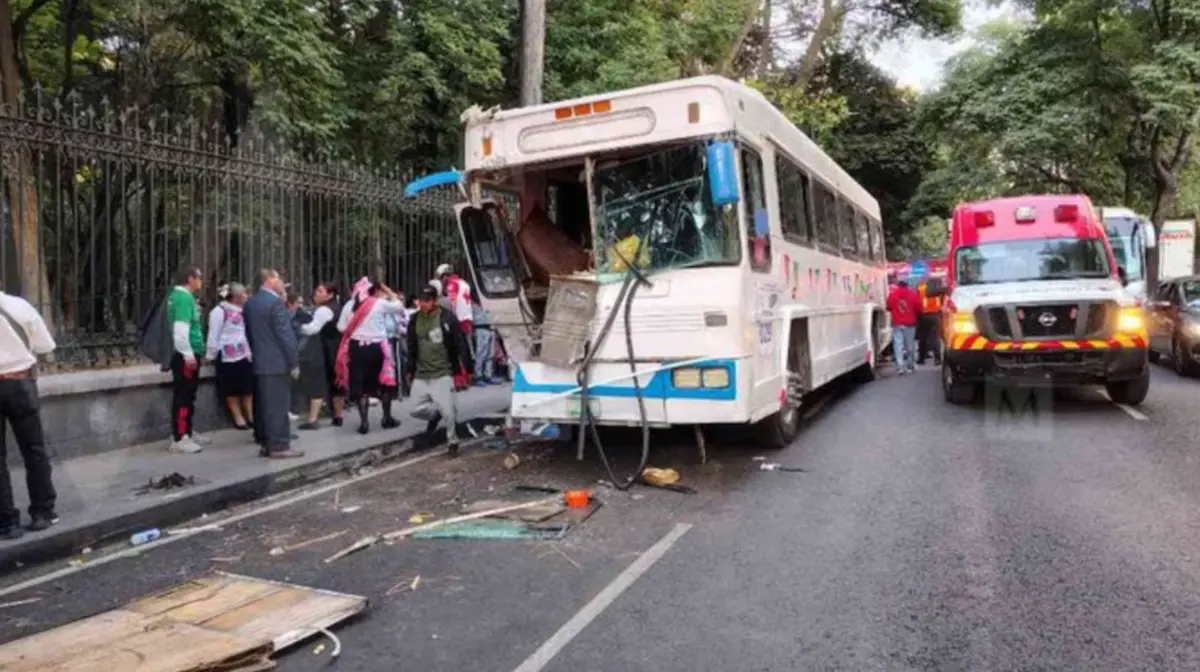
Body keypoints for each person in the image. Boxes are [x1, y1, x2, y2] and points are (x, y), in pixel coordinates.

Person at [0, 285, 59, 538]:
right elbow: (46, 346)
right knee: (34, 449)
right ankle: (42, 512)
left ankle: (7, 522)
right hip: (21, 383)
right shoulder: (20, 306)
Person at [243, 269, 304, 458]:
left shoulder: (251, 303)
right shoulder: (275, 304)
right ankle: (279, 445)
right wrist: (294, 361)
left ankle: (266, 442)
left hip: (261, 361)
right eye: (278, 278)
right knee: (278, 406)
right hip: (278, 363)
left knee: (264, 406)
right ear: (269, 279)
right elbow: (285, 336)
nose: (281, 282)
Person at [335, 277, 407, 435]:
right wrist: (389, 291)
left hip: (357, 349)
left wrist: (356, 329)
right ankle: (387, 418)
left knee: (361, 388)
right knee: (385, 385)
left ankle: (364, 423)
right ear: (374, 290)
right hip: (378, 349)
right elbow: (399, 306)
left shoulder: (349, 305)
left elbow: (341, 327)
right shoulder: (379, 303)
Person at [407, 284, 473, 457]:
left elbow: (460, 342)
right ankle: (435, 413)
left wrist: (467, 366)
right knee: (415, 409)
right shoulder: (414, 320)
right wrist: (410, 369)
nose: (423, 304)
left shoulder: (446, 317)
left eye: (427, 301)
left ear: (434, 301)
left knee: (450, 414)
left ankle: (452, 442)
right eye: (421, 300)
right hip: (422, 373)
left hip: (443, 372)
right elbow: (411, 346)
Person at [167, 268, 207, 453]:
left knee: (187, 394)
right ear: (190, 279)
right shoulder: (183, 298)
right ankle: (181, 436)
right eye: (198, 278)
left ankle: (186, 432)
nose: (201, 281)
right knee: (184, 395)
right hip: (186, 355)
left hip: (186, 353)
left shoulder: (180, 297)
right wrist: (189, 354)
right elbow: (181, 330)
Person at [206, 283, 254, 431]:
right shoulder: (219, 312)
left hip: (243, 352)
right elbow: (214, 333)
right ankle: (238, 417)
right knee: (231, 388)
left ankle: (251, 415)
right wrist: (211, 353)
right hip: (227, 354)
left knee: (248, 387)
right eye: (244, 294)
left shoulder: (245, 310)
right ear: (235, 297)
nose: (246, 297)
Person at [296, 283, 343, 429]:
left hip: (325, 349)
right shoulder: (338, 307)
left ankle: (314, 418)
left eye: (320, 291)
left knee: (320, 381)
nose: (315, 293)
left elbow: (312, 329)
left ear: (330, 295)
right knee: (338, 381)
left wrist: (296, 327)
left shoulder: (324, 310)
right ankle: (338, 415)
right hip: (337, 348)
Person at [887, 278, 920, 374]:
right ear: (907, 284)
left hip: (897, 323)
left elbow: (888, 306)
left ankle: (900, 367)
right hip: (910, 323)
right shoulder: (913, 294)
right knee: (910, 346)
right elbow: (918, 308)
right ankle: (910, 366)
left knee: (898, 346)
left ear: (899, 285)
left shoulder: (892, 295)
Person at [435, 263, 474, 338]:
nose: (441, 281)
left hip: (459, 321)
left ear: (445, 276)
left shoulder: (452, 284)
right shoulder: (462, 282)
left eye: (440, 278)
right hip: (467, 319)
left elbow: (452, 303)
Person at [471, 295, 498, 385]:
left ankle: (488, 375)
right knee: (481, 354)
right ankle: (478, 376)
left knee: (490, 354)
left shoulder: (488, 303)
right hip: (480, 328)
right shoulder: (472, 305)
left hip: (491, 328)